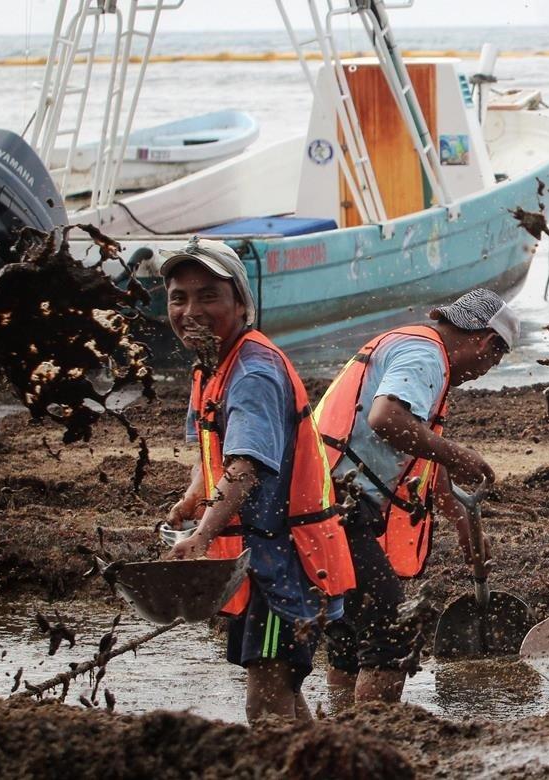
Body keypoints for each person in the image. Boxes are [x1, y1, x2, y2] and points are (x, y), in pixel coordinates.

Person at [161, 237, 355, 724]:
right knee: (285, 694)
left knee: (266, 705)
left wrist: (202, 535)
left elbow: (245, 466)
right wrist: (193, 497)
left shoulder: (251, 372)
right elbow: (215, 452)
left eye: (209, 296)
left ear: (241, 304)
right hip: (266, 558)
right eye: (178, 297)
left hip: (286, 564)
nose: (190, 310)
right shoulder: (211, 366)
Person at [313, 288, 517, 705]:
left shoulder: (412, 346)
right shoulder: (425, 355)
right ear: (485, 341)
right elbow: (387, 418)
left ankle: (340, 723)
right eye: (495, 359)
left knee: (352, 633)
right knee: (390, 627)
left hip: (321, 497)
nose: (485, 371)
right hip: (336, 503)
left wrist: (465, 527)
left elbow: (426, 459)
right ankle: (377, 735)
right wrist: (458, 454)